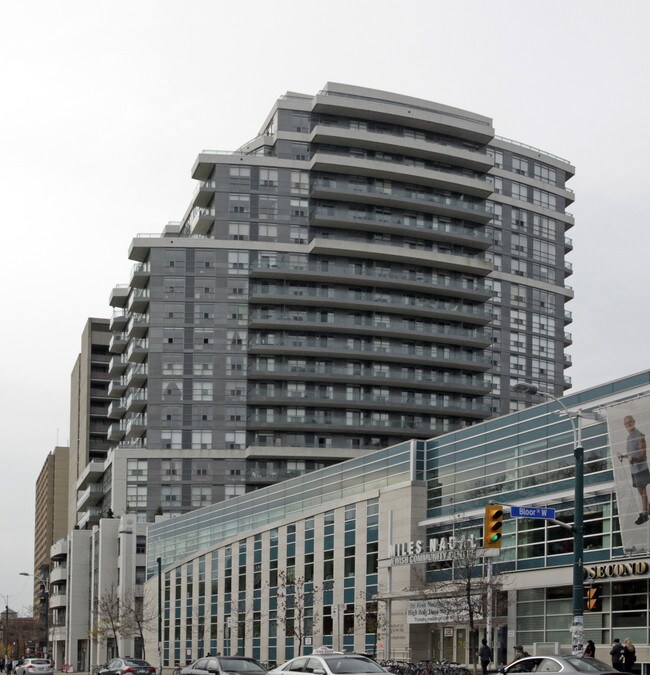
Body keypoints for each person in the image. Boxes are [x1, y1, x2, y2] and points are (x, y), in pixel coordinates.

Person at [617, 415, 650, 524]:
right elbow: (632, 454)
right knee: (641, 491)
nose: (628, 424)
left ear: (634, 422)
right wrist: (623, 456)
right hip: (634, 469)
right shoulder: (629, 437)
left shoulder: (639, 436)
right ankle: (648, 509)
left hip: (641, 469)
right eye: (626, 423)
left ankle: (644, 514)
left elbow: (643, 456)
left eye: (630, 422)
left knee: (643, 490)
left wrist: (634, 459)